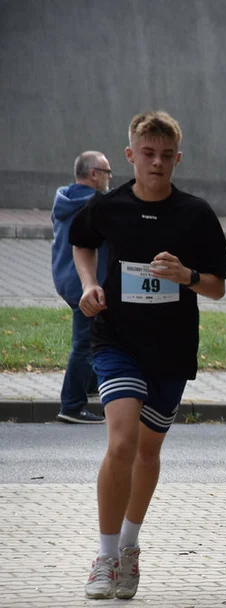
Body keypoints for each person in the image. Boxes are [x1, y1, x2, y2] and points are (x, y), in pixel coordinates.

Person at [70, 110, 226, 600]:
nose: (156, 163)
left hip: (171, 348)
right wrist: (90, 283)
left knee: (147, 451)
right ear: (130, 156)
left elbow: (218, 287)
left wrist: (185, 276)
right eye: (147, 154)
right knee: (120, 442)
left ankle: (129, 547)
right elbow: (81, 242)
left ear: (177, 159)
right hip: (116, 340)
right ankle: (103, 557)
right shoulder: (109, 207)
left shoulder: (195, 214)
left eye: (166, 156)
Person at [51, 151, 112, 423]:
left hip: (65, 278)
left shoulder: (64, 198)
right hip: (84, 282)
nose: (110, 178)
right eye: (107, 172)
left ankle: (90, 386)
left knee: (94, 337)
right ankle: (72, 405)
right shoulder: (96, 206)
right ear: (94, 174)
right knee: (84, 344)